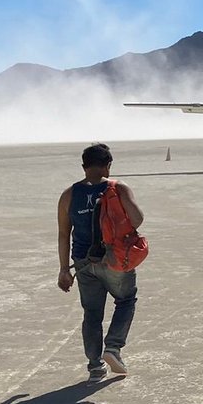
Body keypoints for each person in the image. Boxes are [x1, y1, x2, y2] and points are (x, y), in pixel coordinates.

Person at [56, 142, 144, 381]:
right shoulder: (118, 188)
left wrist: (64, 269)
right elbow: (137, 219)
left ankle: (95, 367)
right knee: (126, 300)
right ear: (108, 165)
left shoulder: (68, 195)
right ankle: (113, 347)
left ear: (83, 167)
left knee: (92, 313)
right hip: (115, 258)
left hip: (83, 262)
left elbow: (64, 234)